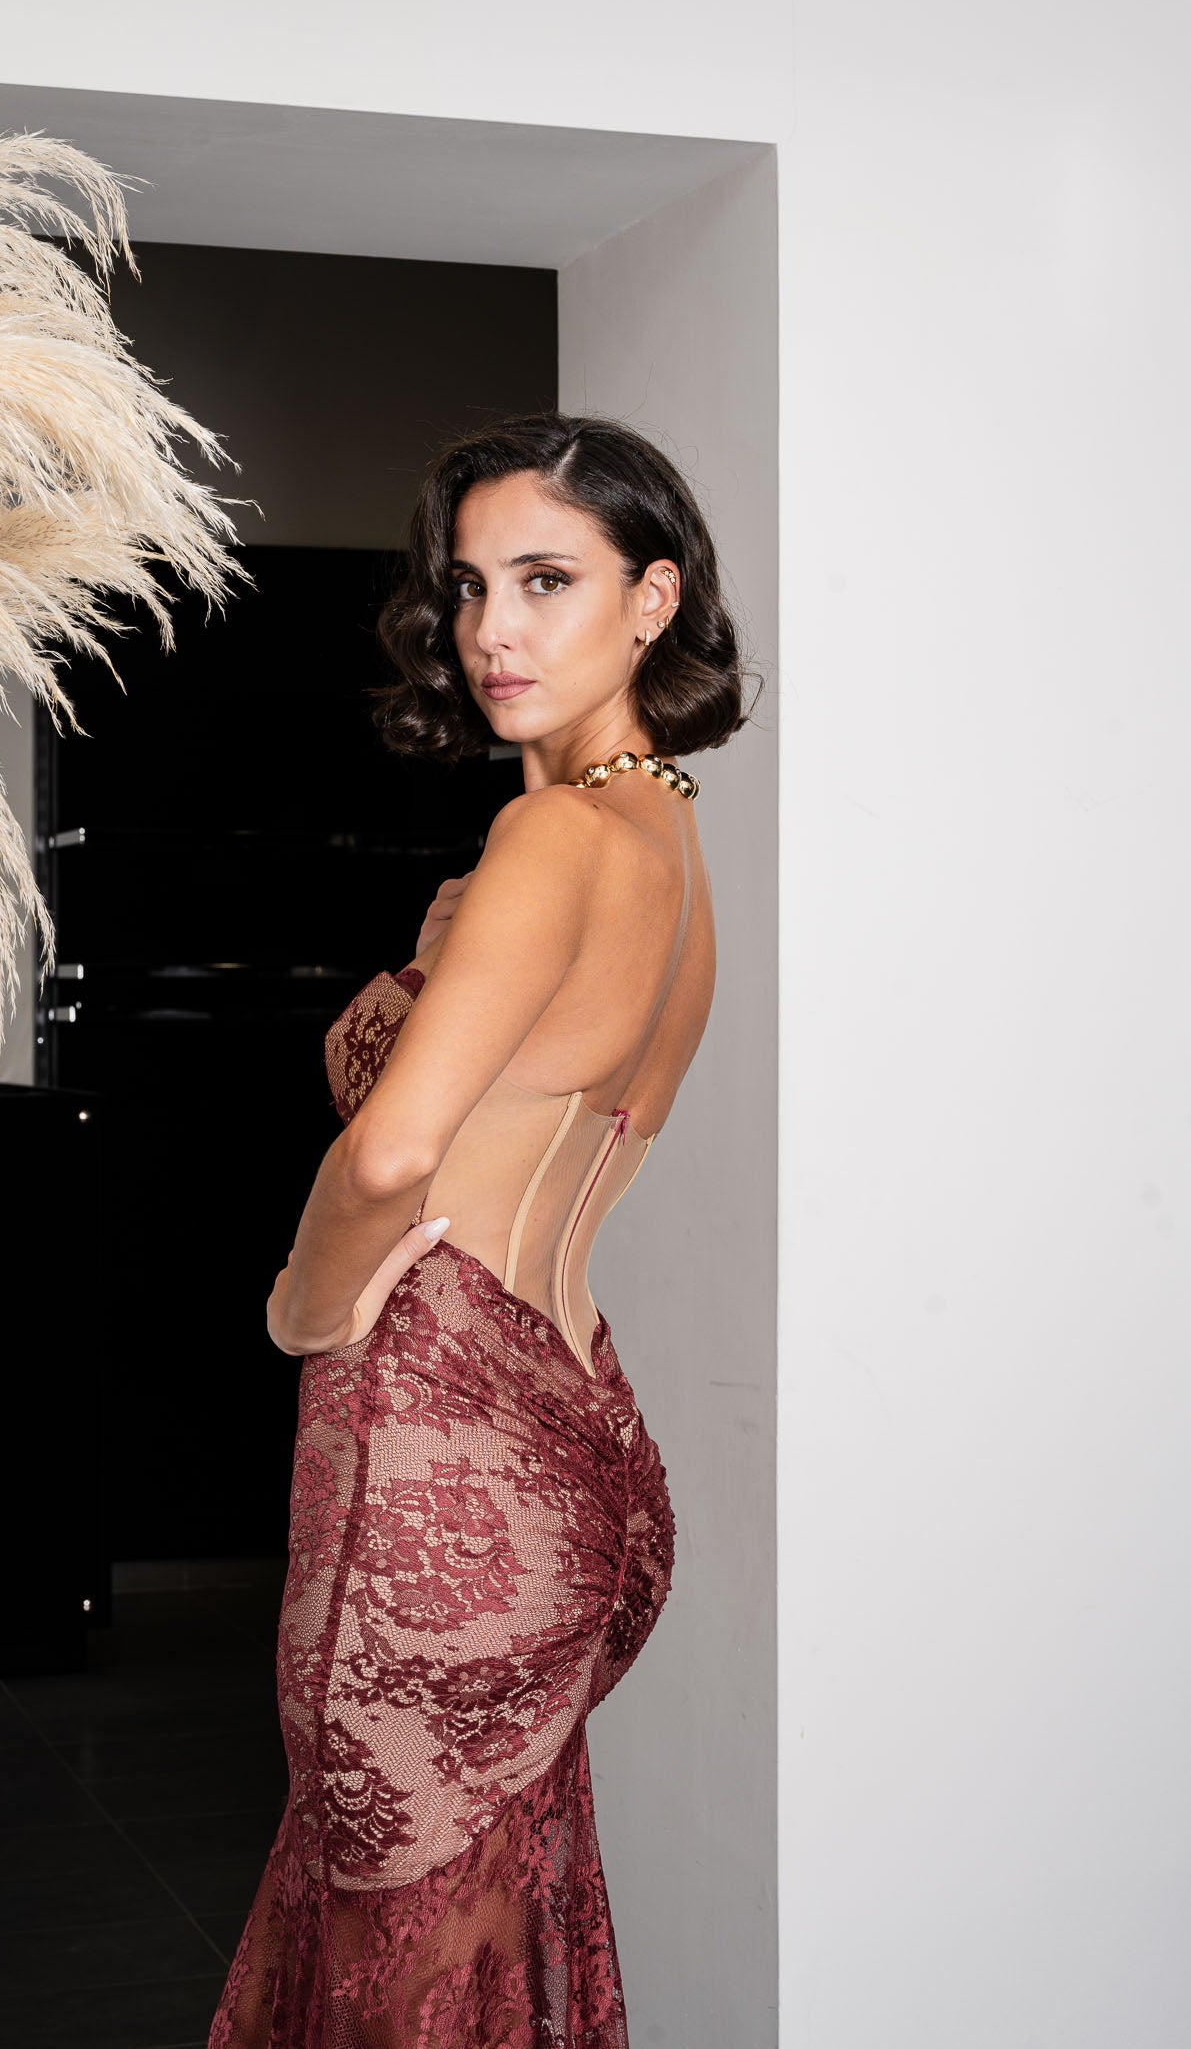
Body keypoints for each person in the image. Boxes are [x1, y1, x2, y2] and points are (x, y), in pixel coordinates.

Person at [207, 411, 752, 2047]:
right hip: (583, 1455)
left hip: (436, 1460)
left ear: (652, 599)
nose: (492, 627)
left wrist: (299, 1305)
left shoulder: (550, 839)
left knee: (388, 1967)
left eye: (546, 578)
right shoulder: (669, 849)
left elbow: (392, 1153)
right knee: (487, 1948)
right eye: (468, 585)